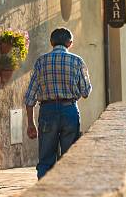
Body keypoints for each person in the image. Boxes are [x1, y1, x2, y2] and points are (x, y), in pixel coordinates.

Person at [24, 28, 92, 179]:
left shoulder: (41, 61)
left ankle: (43, 190)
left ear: (51, 42)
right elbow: (86, 92)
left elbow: (30, 97)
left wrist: (30, 123)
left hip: (47, 111)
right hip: (69, 110)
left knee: (46, 157)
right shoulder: (77, 61)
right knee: (69, 157)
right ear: (70, 43)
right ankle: (67, 189)